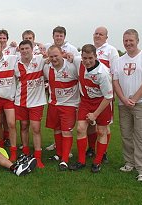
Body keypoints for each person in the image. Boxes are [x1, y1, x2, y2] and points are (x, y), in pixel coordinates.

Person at [112, 29, 142, 183]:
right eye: (125, 40)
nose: (128, 43)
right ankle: (129, 163)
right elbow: (115, 81)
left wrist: (134, 98)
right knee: (126, 135)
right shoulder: (119, 60)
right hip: (123, 104)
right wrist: (124, 99)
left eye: (131, 40)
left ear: (137, 40)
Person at [68, 44, 113, 173]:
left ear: (96, 56)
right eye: (84, 58)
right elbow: (69, 57)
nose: (87, 61)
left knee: (102, 131)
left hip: (101, 102)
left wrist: (95, 114)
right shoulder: (79, 61)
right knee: (81, 128)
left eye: (90, 58)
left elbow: (108, 97)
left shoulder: (103, 73)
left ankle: (97, 162)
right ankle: (81, 161)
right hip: (86, 101)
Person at [43, 45, 79, 171]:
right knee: (57, 130)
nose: (53, 59)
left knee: (66, 131)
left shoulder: (72, 66)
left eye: (56, 56)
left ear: (62, 54)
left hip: (69, 105)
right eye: (51, 56)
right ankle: (58, 154)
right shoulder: (47, 67)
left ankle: (65, 159)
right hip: (54, 103)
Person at [86, 26, 119, 161]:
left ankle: (103, 152)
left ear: (106, 37)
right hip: (90, 95)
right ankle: (91, 148)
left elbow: (115, 73)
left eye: (101, 34)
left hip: (105, 94)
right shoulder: (90, 50)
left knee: (104, 126)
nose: (98, 36)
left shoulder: (111, 51)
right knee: (90, 124)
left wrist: (114, 92)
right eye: (96, 34)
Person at [14, 40, 47, 168]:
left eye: (27, 48)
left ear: (32, 48)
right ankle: (26, 152)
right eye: (22, 49)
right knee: (23, 126)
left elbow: (52, 58)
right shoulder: (16, 64)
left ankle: (38, 157)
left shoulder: (40, 60)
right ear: (19, 50)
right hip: (21, 100)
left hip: (37, 101)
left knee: (36, 128)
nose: (25, 51)